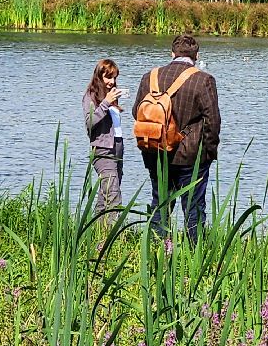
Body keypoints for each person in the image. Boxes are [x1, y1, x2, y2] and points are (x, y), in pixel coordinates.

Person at [132, 33, 221, 244]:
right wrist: (208, 153)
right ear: (196, 56)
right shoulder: (204, 80)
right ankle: (195, 252)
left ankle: (154, 247)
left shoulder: (150, 77)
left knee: (160, 202)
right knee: (193, 206)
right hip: (190, 156)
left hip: (155, 152)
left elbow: (137, 112)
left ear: (172, 53)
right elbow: (213, 121)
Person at [83, 58, 126, 216]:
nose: (112, 82)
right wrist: (106, 103)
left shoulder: (111, 95)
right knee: (113, 195)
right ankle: (112, 236)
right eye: (108, 77)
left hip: (117, 149)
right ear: (99, 77)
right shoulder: (90, 96)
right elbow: (90, 122)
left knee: (105, 194)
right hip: (102, 150)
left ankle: (97, 231)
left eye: (114, 78)